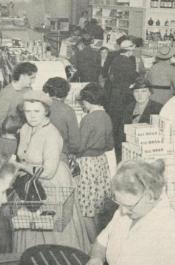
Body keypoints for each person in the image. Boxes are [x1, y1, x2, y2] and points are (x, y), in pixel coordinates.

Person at [14, 90, 90, 253]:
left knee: (53, 230)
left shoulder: (52, 134)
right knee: (30, 226)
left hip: (52, 184)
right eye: (27, 111)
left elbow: (48, 172)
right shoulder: (25, 128)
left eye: (37, 111)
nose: (32, 116)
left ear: (46, 111)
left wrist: (20, 167)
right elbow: (23, 156)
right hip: (30, 184)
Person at [86, 159, 175, 265]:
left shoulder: (170, 230)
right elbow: (101, 242)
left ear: (149, 197)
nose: (123, 211)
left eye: (129, 206)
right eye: (120, 204)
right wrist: (96, 258)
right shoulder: (127, 210)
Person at [76, 83, 114, 242]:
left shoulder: (88, 118)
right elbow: (110, 145)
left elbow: (79, 146)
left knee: (85, 210)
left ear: (87, 100)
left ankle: (94, 245)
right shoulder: (106, 116)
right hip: (101, 162)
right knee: (97, 206)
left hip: (87, 164)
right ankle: (101, 239)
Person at [107, 39, 138, 160]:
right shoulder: (127, 62)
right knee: (122, 121)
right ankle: (120, 149)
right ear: (129, 51)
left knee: (115, 121)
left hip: (115, 94)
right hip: (124, 95)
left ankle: (115, 148)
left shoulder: (116, 59)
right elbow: (133, 77)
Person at [0, 61, 38, 138]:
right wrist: (16, 129)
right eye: (31, 78)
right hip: (9, 133)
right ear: (22, 76)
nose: (34, 81)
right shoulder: (7, 94)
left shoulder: (28, 89)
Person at [42, 77, 81, 156]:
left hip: (40, 152)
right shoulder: (68, 111)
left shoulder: (40, 106)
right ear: (66, 93)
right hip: (60, 154)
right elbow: (75, 143)